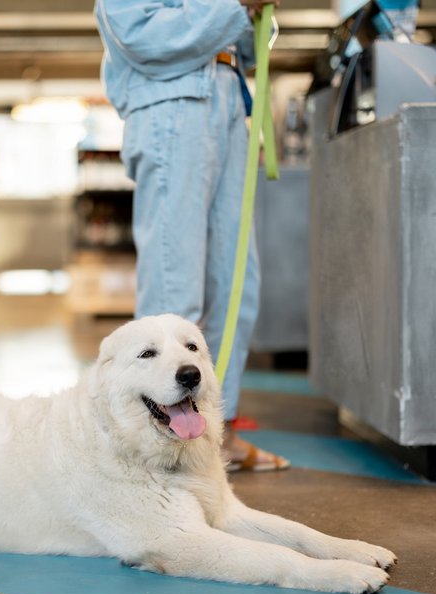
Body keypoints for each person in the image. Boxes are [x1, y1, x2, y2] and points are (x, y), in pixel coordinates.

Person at [95, 0, 290, 471]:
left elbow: (244, 42)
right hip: (174, 105)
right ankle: (157, 440)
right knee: (174, 287)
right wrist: (235, 6)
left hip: (225, 101)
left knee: (236, 287)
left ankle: (212, 432)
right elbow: (139, 33)